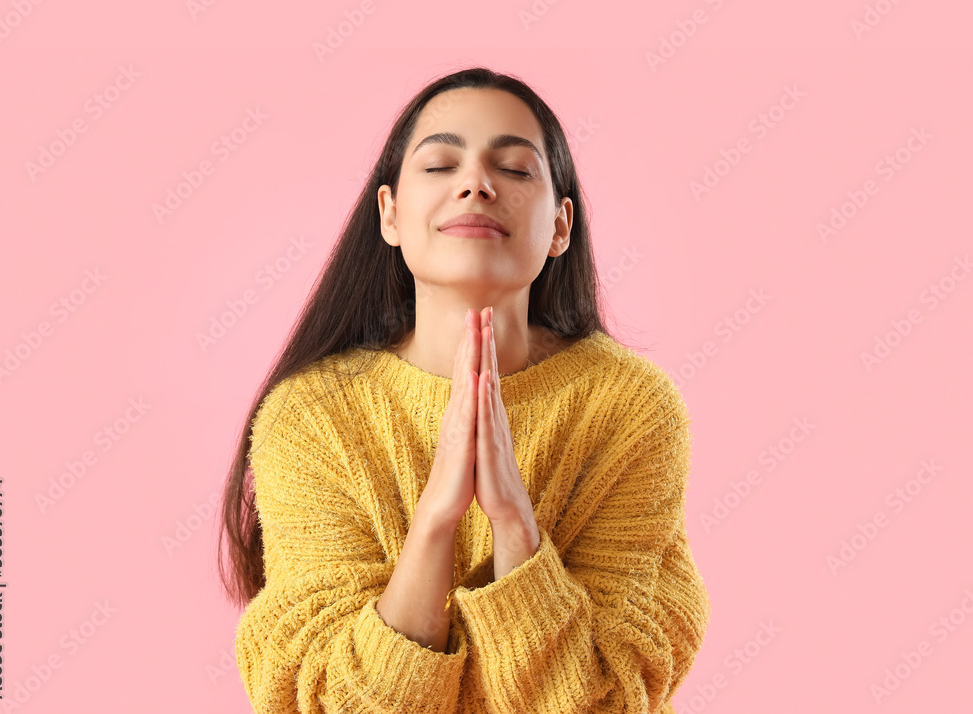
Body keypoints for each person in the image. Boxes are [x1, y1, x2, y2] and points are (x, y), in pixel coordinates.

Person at [216, 65, 711, 714]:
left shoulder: (630, 407)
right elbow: (329, 700)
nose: (476, 184)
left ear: (561, 226)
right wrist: (434, 523)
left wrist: (514, 526)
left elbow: (610, 696)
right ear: (391, 214)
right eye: (441, 164)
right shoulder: (310, 417)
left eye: (513, 168)